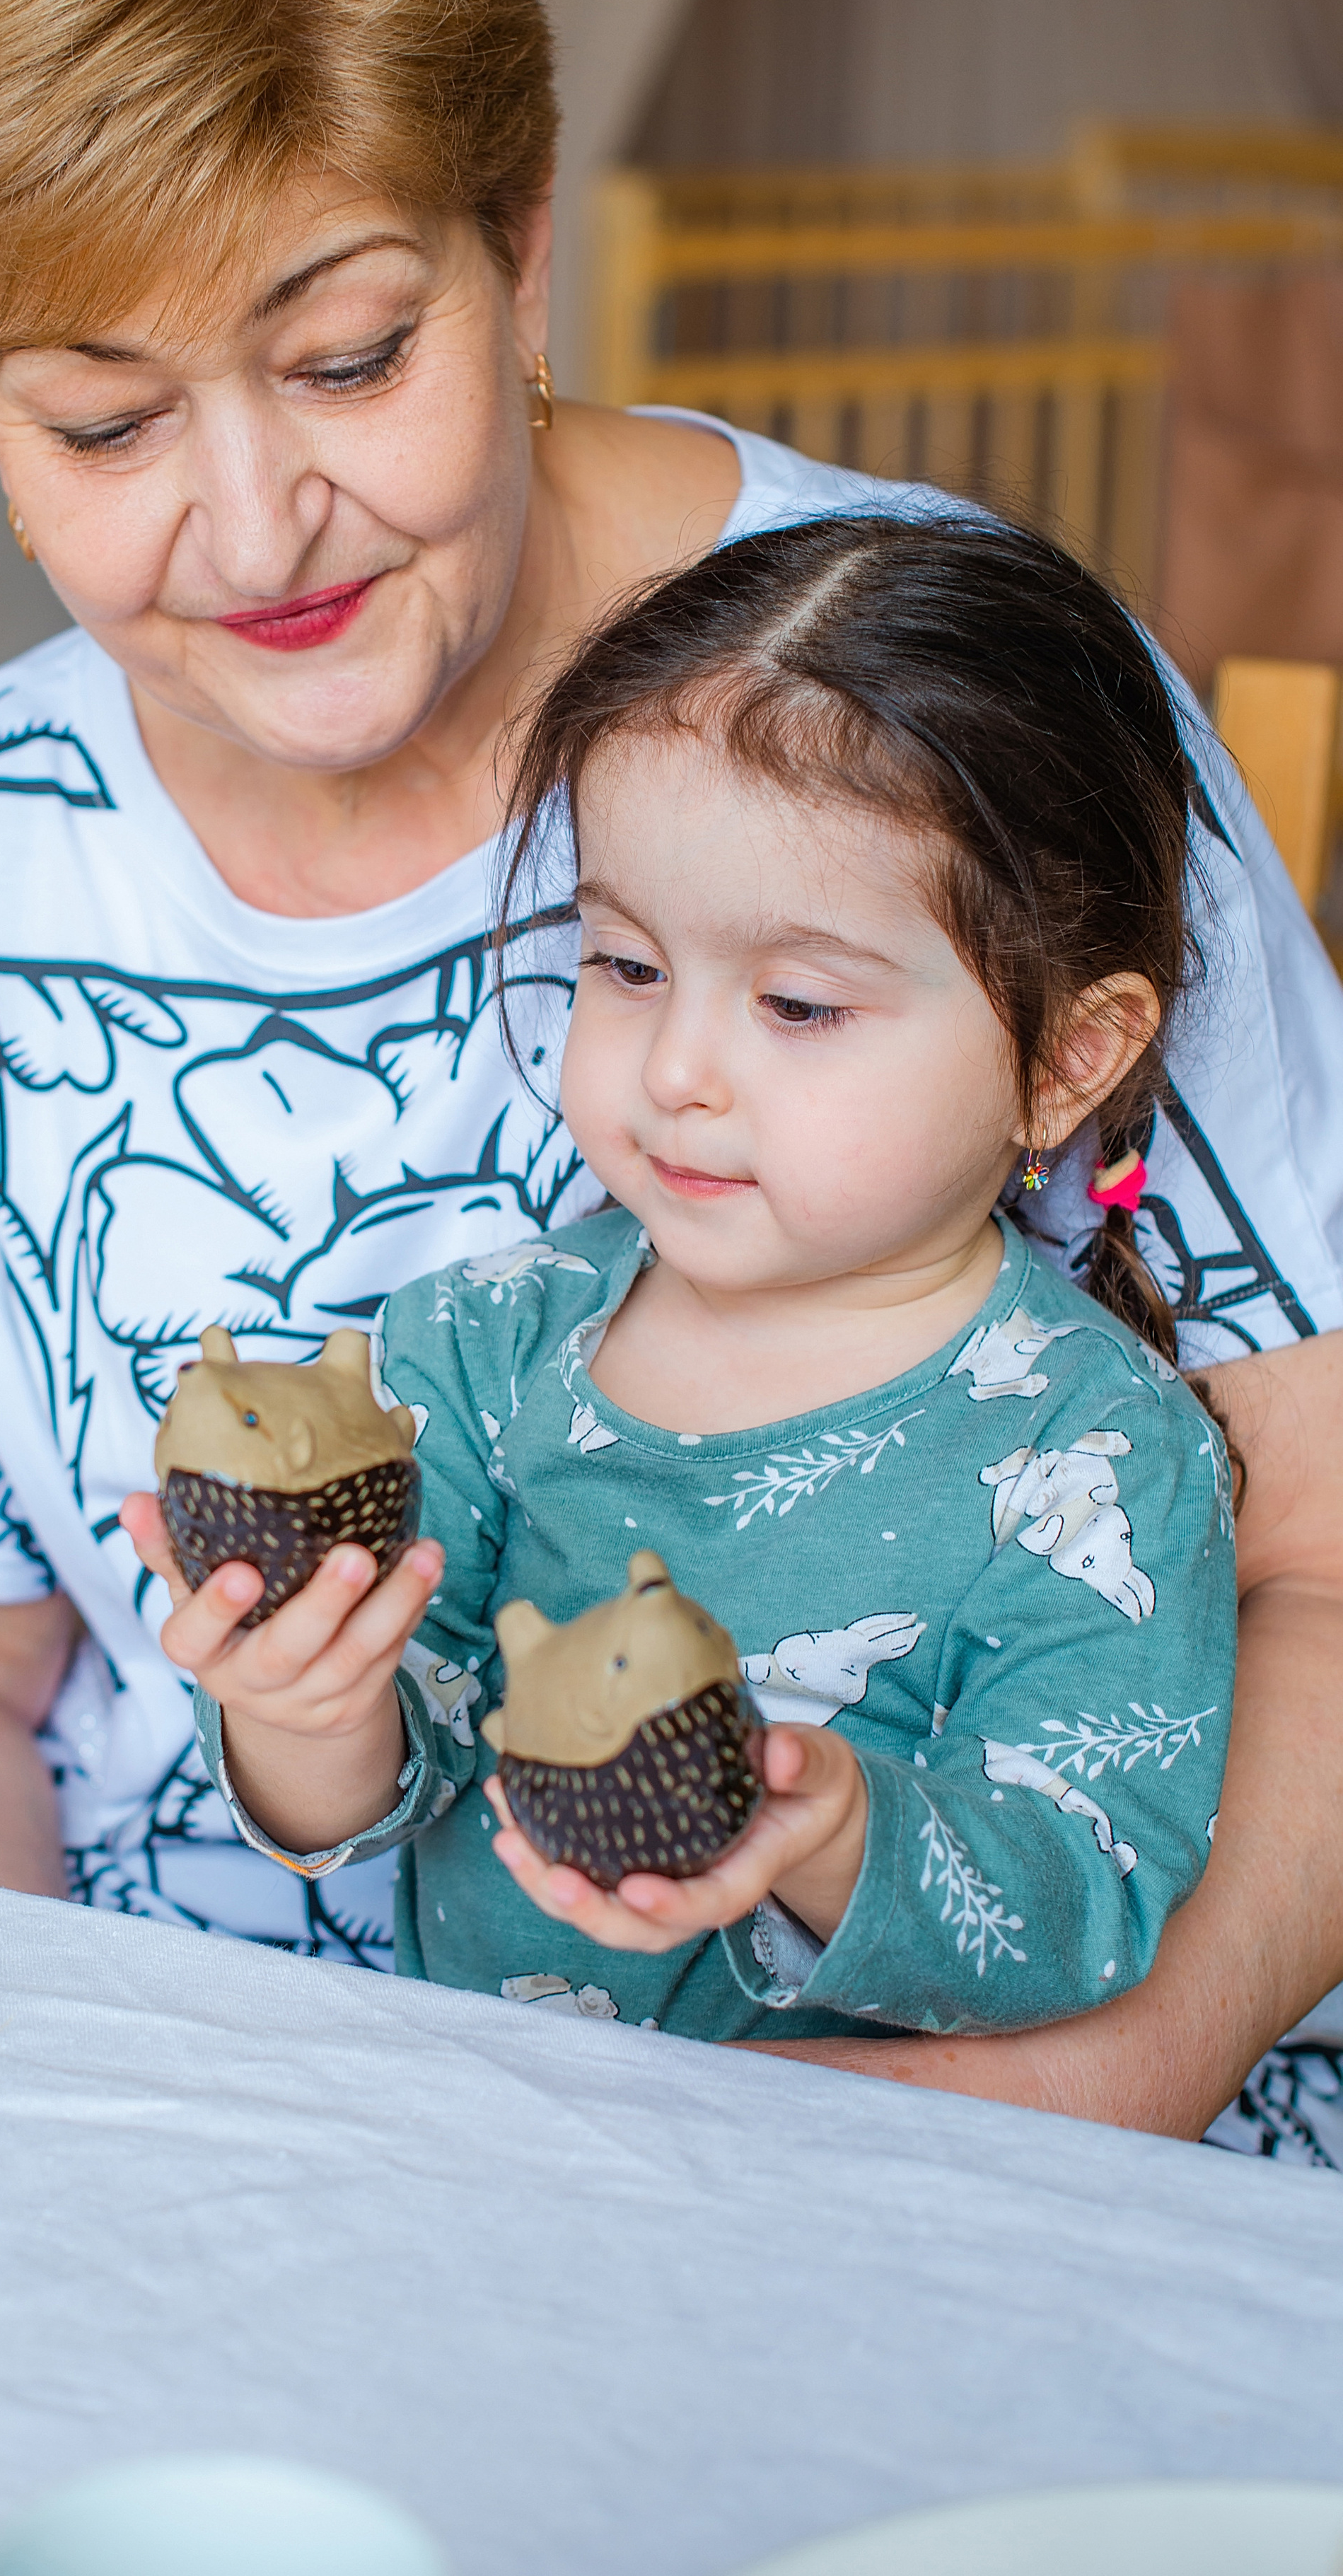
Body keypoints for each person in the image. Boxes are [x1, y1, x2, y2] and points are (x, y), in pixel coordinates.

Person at [0, 0, 1343, 2151]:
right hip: (261, 2137)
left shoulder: (966, 722)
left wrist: (1068, 2099)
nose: (256, 535)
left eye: (351, 358)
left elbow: (1326, 1552)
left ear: (519, 245)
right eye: (103, 423)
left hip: (1028, 2086)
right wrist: (43, 2136)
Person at [141, 514, 1238, 2040]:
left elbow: (1092, 1892)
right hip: (505, 2149)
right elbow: (390, 1783)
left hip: (871, 2203)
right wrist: (299, 1702)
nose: (672, 1069)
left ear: (1064, 1058)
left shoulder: (1090, 1453)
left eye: (794, 1002)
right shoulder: (477, 1346)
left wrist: (834, 1825)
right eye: (626, 964)